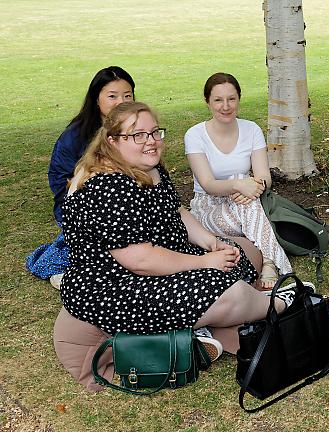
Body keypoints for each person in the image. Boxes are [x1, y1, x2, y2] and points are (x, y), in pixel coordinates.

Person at [61, 102, 300, 359]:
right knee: (227, 289)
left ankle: (198, 329)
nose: (151, 141)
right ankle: (280, 303)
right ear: (112, 141)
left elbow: (178, 212)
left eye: (154, 132)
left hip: (166, 259)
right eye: (137, 135)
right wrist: (204, 262)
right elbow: (140, 260)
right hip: (117, 286)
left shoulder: (149, 168)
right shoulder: (108, 188)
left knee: (240, 254)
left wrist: (210, 243)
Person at [29, 66, 135, 286]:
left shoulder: (138, 129)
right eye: (112, 96)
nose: (121, 102)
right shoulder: (76, 136)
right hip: (83, 207)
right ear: (97, 99)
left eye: (127, 95)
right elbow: (61, 184)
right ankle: (68, 271)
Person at [185, 73, 292, 289]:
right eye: (218, 100)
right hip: (208, 209)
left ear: (239, 99)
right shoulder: (195, 135)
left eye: (231, 99)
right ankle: (272, 261)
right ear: (207, 102)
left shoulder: (251, 129)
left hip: (244, 201)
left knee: (246, 192)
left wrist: (250, 186)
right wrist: (238, 184)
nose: (226, 106)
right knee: (242, 183)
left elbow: (264, 178)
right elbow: (208, 184)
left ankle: (269, 261)